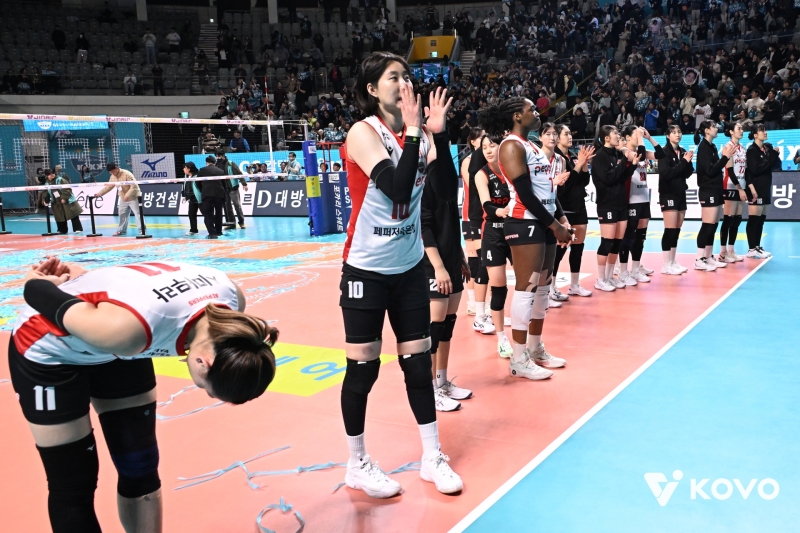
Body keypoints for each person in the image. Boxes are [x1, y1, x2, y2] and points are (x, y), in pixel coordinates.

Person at [9, 256, 276, 533]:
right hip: (50, 354)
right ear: (203, 362)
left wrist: (83, 279)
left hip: (120, 340)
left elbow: (132, 292)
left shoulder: (234, 308)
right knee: (73, 483)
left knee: (139, 464)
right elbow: (37, 293)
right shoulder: (124, 332)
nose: (205, 392)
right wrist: (38, 282)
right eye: (205, 388)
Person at [338, 52, 462, 498]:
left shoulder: (420, 135)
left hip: (409, 268)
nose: (404, 82)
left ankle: (432, 456)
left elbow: (444, 192)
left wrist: (438, 134)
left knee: (417, 365)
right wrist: (414, 132)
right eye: (393, 77)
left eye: (406, 75)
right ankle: (357, 463)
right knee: (363, 369)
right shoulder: (363, 132)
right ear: (373, 89)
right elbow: (395, 187)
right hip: (366, 269)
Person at [481, 99, 572, 381]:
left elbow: (546, 190)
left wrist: (560, 219)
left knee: (543, 287)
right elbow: (525, 195)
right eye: (531, 109)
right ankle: (519, 358)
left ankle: (535, 348)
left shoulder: (531, 145)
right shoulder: (511, 146)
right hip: (525, 223)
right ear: (517, 116)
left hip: (544, 221)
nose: (536, 113)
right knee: (527, 287)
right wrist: (554, 225)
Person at [421, 121, 472, 412]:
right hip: (433, 266)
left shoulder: (445, 181)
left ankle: (441, 382)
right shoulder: (422, 180)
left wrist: (460, 258)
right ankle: (429, 389)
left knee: (448, 327)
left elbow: (450, 224)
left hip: (452, 261)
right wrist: (439, 268)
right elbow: (425, 228)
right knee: (434, 329)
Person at [472, 133, 514, 358]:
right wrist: (500, 211)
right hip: (493, 234)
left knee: (528, 286)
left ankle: (528, 337)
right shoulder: (481, 174)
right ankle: (502, 339)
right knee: (498, 287)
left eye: (492, 145)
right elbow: (486, 205)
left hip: (516, 231)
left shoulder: (512, 168)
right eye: (484, 147)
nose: (488, 150)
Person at [591, 125, 641, 292]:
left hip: (621, 203)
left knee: (617, 242)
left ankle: (610, 276)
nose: (618, 135)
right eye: (615, 133)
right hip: (607, 204)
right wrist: (625, 162)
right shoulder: (599, 156)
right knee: (607, 242)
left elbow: (622, 176)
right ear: (606, 138)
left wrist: (632, 165)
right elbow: (608, 179)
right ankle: (600, 279)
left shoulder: (618, 154)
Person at [552, 124, 595, 300]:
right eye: (566, 134)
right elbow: (566, 185)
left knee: (578, 246)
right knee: (560, 248)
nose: (570, 136)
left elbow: (584, 181)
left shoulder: (572, 156)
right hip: (565, 207)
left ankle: (575, 285)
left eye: (570, 133)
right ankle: (551, 287)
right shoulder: (556, 158)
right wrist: (579, 165)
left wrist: (584, 163)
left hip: (579, 205)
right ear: (557, 137)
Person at [616, 126, 663, 284]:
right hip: (630, 199)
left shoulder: (641, 150)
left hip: (643, 198)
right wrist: (640, 137)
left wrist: (649, 138)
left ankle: (636, 269)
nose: (639, 136)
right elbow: (640, 157)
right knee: (628, 237)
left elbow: (661, 155)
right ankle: (623, 271)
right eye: (636, 134)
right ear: (628, 137)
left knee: (640, 238)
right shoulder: (624, 150)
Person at [694, 120, 736, 271]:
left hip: (716, 189)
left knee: (714, 225)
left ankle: (709, 256)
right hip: (708, 190)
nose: (717, 128)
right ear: (706, 130)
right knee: (707, 225)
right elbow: (710, 170)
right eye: (713, 127)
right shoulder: (703, 148)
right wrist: (725, 157)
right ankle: (699, 259)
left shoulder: (712, 146)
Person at [657, 125, 695, 274]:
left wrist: (688, 162)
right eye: (673, 132)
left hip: (680, 192)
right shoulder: (663, 152)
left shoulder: (683, 151)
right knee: (670, 229)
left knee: (677, 230)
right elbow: (666, 174)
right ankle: (666, 264)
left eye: (679, 132)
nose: (677, 134)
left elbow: (687, 173)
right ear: (668, 135)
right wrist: (684, 162)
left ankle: (673, 261)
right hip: (668, 194)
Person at [459, 128, 484, 317]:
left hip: (486, 215)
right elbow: (474, 185)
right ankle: (472, 302)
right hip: (470, 215)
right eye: (481, 137)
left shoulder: (487, 160)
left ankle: (481, 302)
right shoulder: (467, 161)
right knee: (475, 261)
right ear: (473, 141)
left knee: (484, 261)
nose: (484, 140)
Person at [744, 124, 780, 258]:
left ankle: (757, 246)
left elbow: (774, 166)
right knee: (754, 220)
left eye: (765, 130)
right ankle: (751, 248)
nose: (765, 132)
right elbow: (756, 169)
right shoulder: (751, 150)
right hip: (756, 189)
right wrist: (772, 156)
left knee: (761, 220)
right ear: (755, 135)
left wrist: (775, 155)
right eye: (761, 130)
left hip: (765, 188)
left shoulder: (766, 150)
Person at [719, 122, 749, 262]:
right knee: (728, 219)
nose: (742, 131)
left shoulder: (742, 148)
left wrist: (745, 188)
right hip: (730, 186)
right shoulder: (728, 147)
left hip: (741, 186)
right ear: (731, 131)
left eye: (742, 128)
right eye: (739, 128)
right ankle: (722, 253)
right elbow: (730, 171)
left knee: (737, 219)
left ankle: (731, 250)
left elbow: (745, 170)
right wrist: (739, 188)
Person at [94, 163, 141, 236]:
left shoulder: (127, 174)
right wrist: (99, 193)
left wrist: (127, 196)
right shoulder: (112, 177)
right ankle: (121, 231)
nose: (112, 173)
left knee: (138, 214)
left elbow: (134, 187)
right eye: (110, 172)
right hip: (123, 198)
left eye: (113, 171)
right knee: (122, 215)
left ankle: (142, 230)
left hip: (133, 197)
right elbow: (108, 187)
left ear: (117, 168)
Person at [42, 169, 84, 235]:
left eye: (52, 174)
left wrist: (64, 198)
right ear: (46, 175)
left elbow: (68, 189)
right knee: (59, 216)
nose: (51, 175)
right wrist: (45, 200)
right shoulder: (47, 183)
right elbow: (45, 193)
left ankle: (77, 228)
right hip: (56, 201)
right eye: (49, 174)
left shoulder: (60, 180)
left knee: (73, 214)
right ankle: (62, 230)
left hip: (68, 200)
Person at [216, 152, 248, 229]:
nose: (218, 158)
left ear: (223, 155)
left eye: (219, 156)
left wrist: (244, 183)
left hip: (233, 188)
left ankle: (241, 222)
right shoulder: (216, 165)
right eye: (217, 156)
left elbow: (239, 173)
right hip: (223, 189)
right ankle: (231, 223)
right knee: (228, 207)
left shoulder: (231, 164)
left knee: (237, 206)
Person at [197, 156, 226, 239]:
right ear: (215, 162)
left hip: (207, 195)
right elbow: (224, 184)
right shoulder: (220, 171)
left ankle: (212, 233)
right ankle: (219, 232)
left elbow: (197, 182)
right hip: (219, 195)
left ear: (206, 162)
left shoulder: (202, 170)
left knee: (208, 214)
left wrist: (203, 190)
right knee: (219, 213)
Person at [182, 162, 201, 236]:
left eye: (185, 168)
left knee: (207, 215)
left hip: (199, 198)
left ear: (189, 169)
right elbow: (184, 186)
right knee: (191, 214)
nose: (183, 169)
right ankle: (193, 230)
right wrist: (184, 195)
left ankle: (213, 230)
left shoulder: (197, 176)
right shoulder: (186, 177)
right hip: (191, 199)